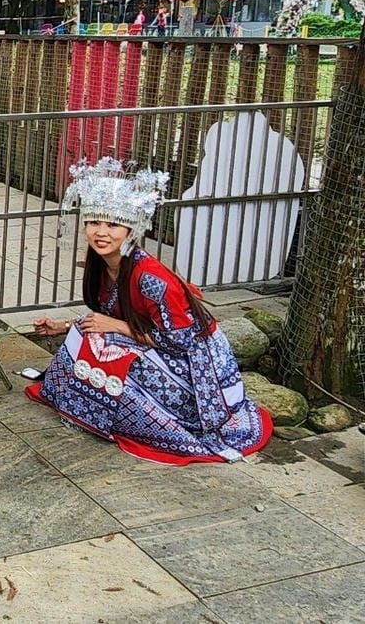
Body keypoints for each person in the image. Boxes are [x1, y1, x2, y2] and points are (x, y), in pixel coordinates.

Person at [27, 157, 272, 464]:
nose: (101, 232)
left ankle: (140, 419)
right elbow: (110, 317)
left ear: (131, 230)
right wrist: (63, 326)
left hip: (199, 370)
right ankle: (86, 405)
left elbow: (181, 342)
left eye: (113, 224)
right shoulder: (104, 266)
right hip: (158, 342)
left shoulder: (154, 280)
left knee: (111, 353)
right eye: (93, 222)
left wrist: (117, 329)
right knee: (84, 335)